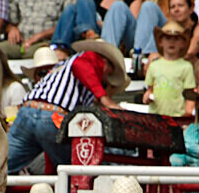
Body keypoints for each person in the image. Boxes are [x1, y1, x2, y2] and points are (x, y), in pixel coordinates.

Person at [7, 39, 126, 173]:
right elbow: (80, 65)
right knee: (76, 171)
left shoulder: (63, 67)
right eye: (109, 72)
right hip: (52, 115)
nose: (107, 77)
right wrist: (106, 101)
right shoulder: (90, 57)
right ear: (105, 62)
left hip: (27, 111)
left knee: (3, 167)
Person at [0, 0, 78, 60]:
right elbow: (9, 22)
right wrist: (12, 29)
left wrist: (38, 37)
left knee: (40, 54)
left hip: (46, 43)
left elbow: (67, 25)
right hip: (18, 43)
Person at [52, 0, 142, 48]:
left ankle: (62, 47)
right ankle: (63, 46)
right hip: (92, 37)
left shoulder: (134, 0)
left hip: (114, 40)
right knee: (77, 4)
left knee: (117, 6)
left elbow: (130, 30)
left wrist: (103, 24)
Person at [102, 0, 183, 55]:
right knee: (118, 5)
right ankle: (107, 55)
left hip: (167, 40)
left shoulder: (187, 0)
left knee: (149, 6)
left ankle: (142, 58)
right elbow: (141, 30)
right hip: (137, 43)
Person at [143, 21, 195, 116]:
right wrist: (147, 97)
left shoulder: (186, 67)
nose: (171, 42)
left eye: (176, 39)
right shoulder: (154, 65)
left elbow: (190, 94)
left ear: (183, 43)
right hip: (156, 116)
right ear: (160, 42)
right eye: (167, 38)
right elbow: (150, 89)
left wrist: (188, 113)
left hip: (178, 116)